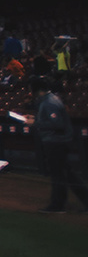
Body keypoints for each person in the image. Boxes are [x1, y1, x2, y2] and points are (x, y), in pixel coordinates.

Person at [33, 78, 86, 213]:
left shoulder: (49, 102)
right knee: (67, 173)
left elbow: (58, 124)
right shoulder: (50, 100)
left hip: (56, 142)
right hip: (58, 141)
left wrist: (36, 124)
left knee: (58, 174)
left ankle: (57, 205)